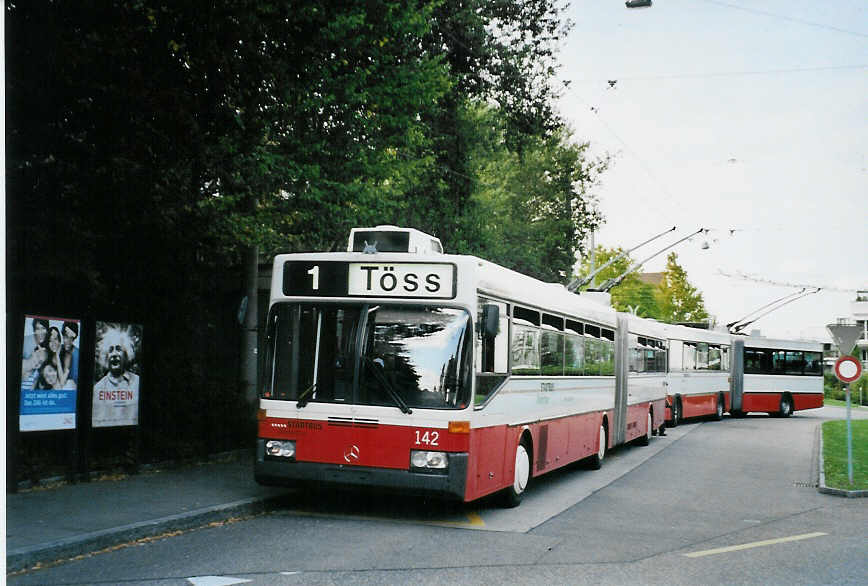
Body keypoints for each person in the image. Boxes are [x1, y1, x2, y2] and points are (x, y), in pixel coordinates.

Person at [94, 327, 140, 395]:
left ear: (126, 354)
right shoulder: (97, 389)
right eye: (110, 350)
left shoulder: (138, 382)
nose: (114, 354)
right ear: (106, 357)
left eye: (118, 349)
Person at [21, 318, 49, 389]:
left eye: (43, 328)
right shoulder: (25, 341)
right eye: (37, 329)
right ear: (34, 330)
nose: (41, 332)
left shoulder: (49, 344)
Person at [59, 321, 80, 389]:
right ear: (62, 335)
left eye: (71, 338)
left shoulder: (78, 354)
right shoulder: (57, 350)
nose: (68, 341)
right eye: (66, 337)